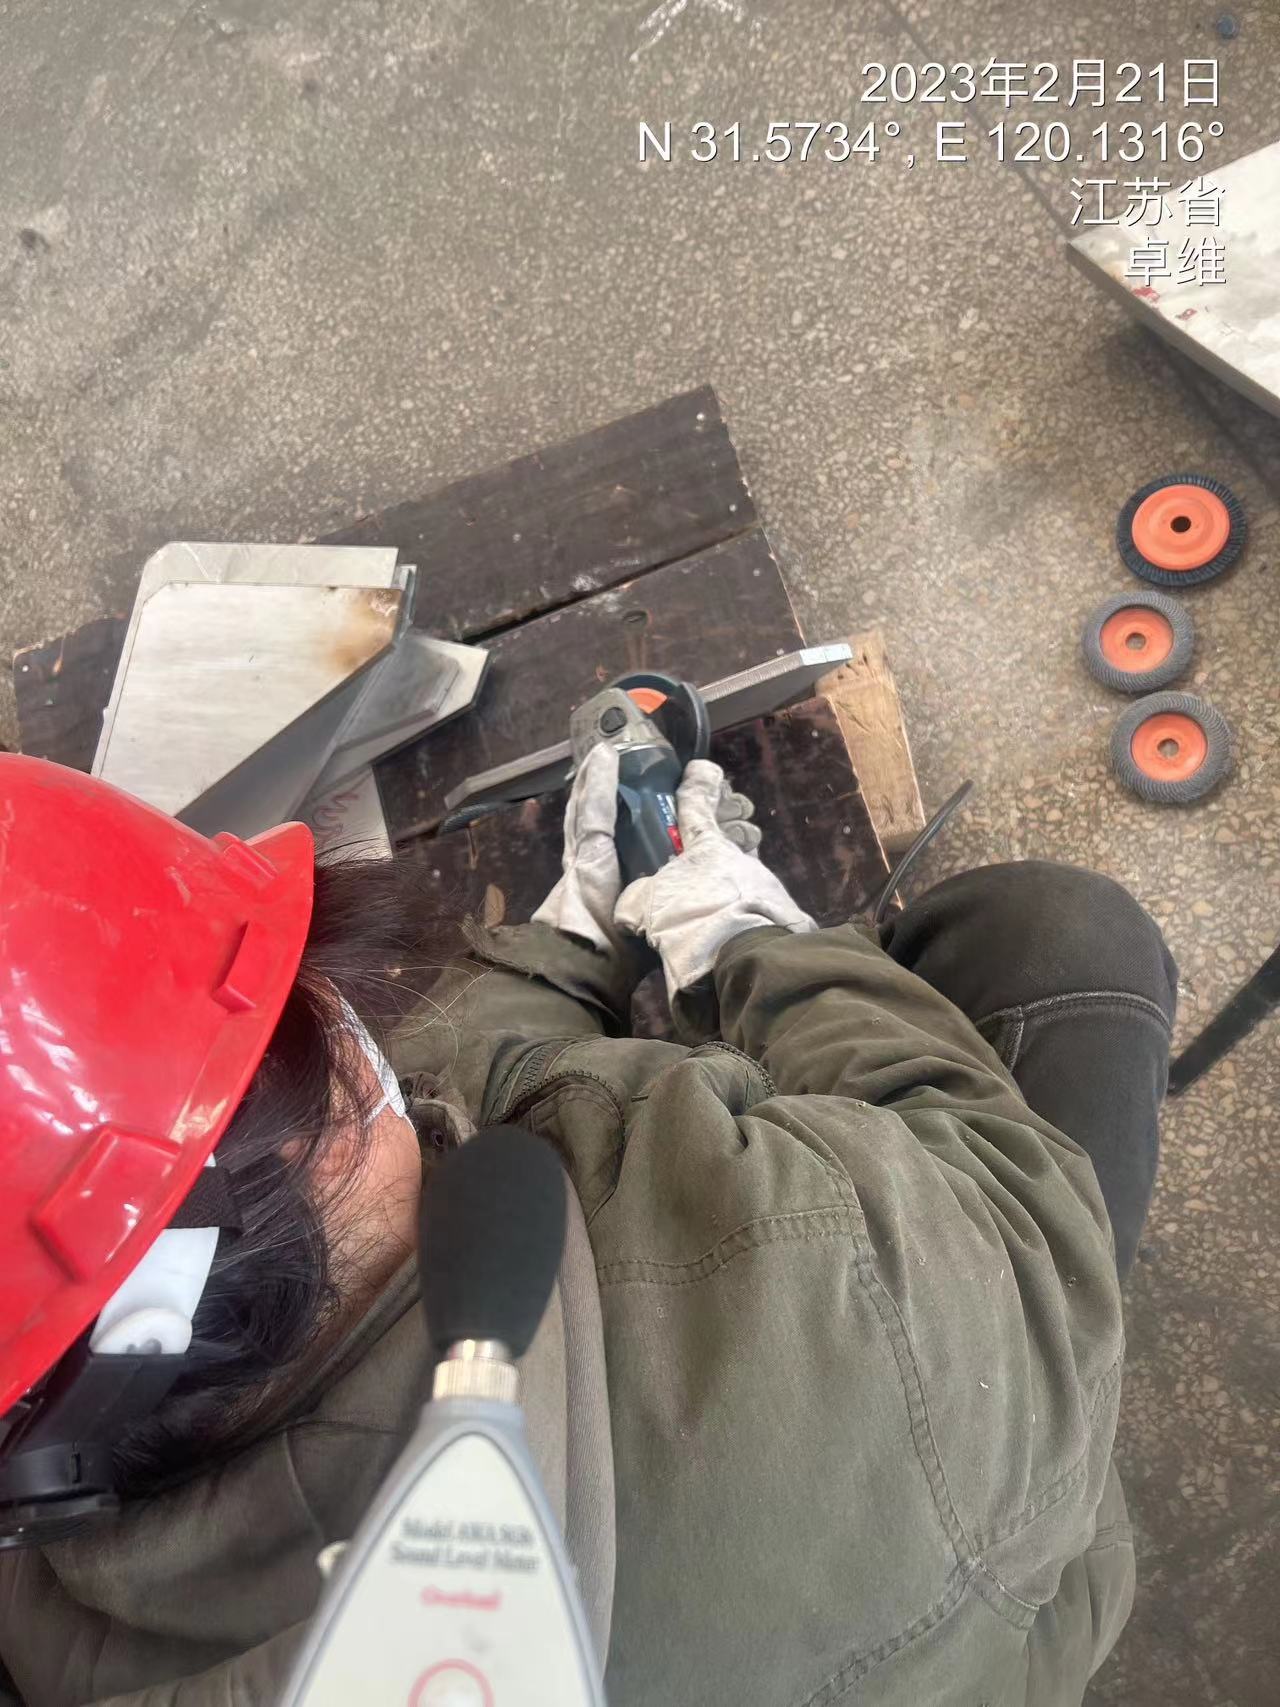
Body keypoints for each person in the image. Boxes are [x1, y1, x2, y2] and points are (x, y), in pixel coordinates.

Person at [0, 745, 1177, 1707]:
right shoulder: (834, 1283)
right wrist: (752, 941)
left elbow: (425, 1104)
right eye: (311, 1004)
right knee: (1057, 940)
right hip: (983, 1579)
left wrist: (563, 954)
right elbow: (1010, 1195)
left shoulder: (48, 1618)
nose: (359, 1021)